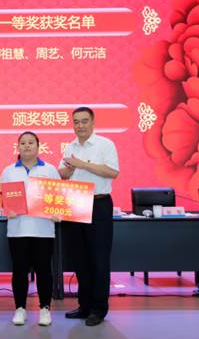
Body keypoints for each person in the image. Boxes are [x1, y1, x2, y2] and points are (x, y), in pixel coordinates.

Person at [59, 107, 119, 326]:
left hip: (98, 203)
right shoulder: (70, 147)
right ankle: (84, 306)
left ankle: (98, 309)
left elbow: (113, 172)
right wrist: (67, 171)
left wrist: (83, 165)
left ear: (93, 123)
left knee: (99, 259)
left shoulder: (105, 144)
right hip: (74, 204)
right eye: (76, 122)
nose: (80, 125)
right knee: (80, 259)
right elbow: (63, 174)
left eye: (84, 121)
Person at [0, 131, 61, 327]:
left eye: (31, 142)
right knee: (19, 271)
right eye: (23, 143)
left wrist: (57, 212)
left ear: (38, 146)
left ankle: (45, 309)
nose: (27, 146)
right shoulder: (8, 171)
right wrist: (5, 209)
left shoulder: (49, 170)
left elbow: (59, 198)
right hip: (17, 230)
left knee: (44, 270)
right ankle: (20, 309)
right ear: (18, 147)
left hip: (43, 230)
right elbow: (1, 199)